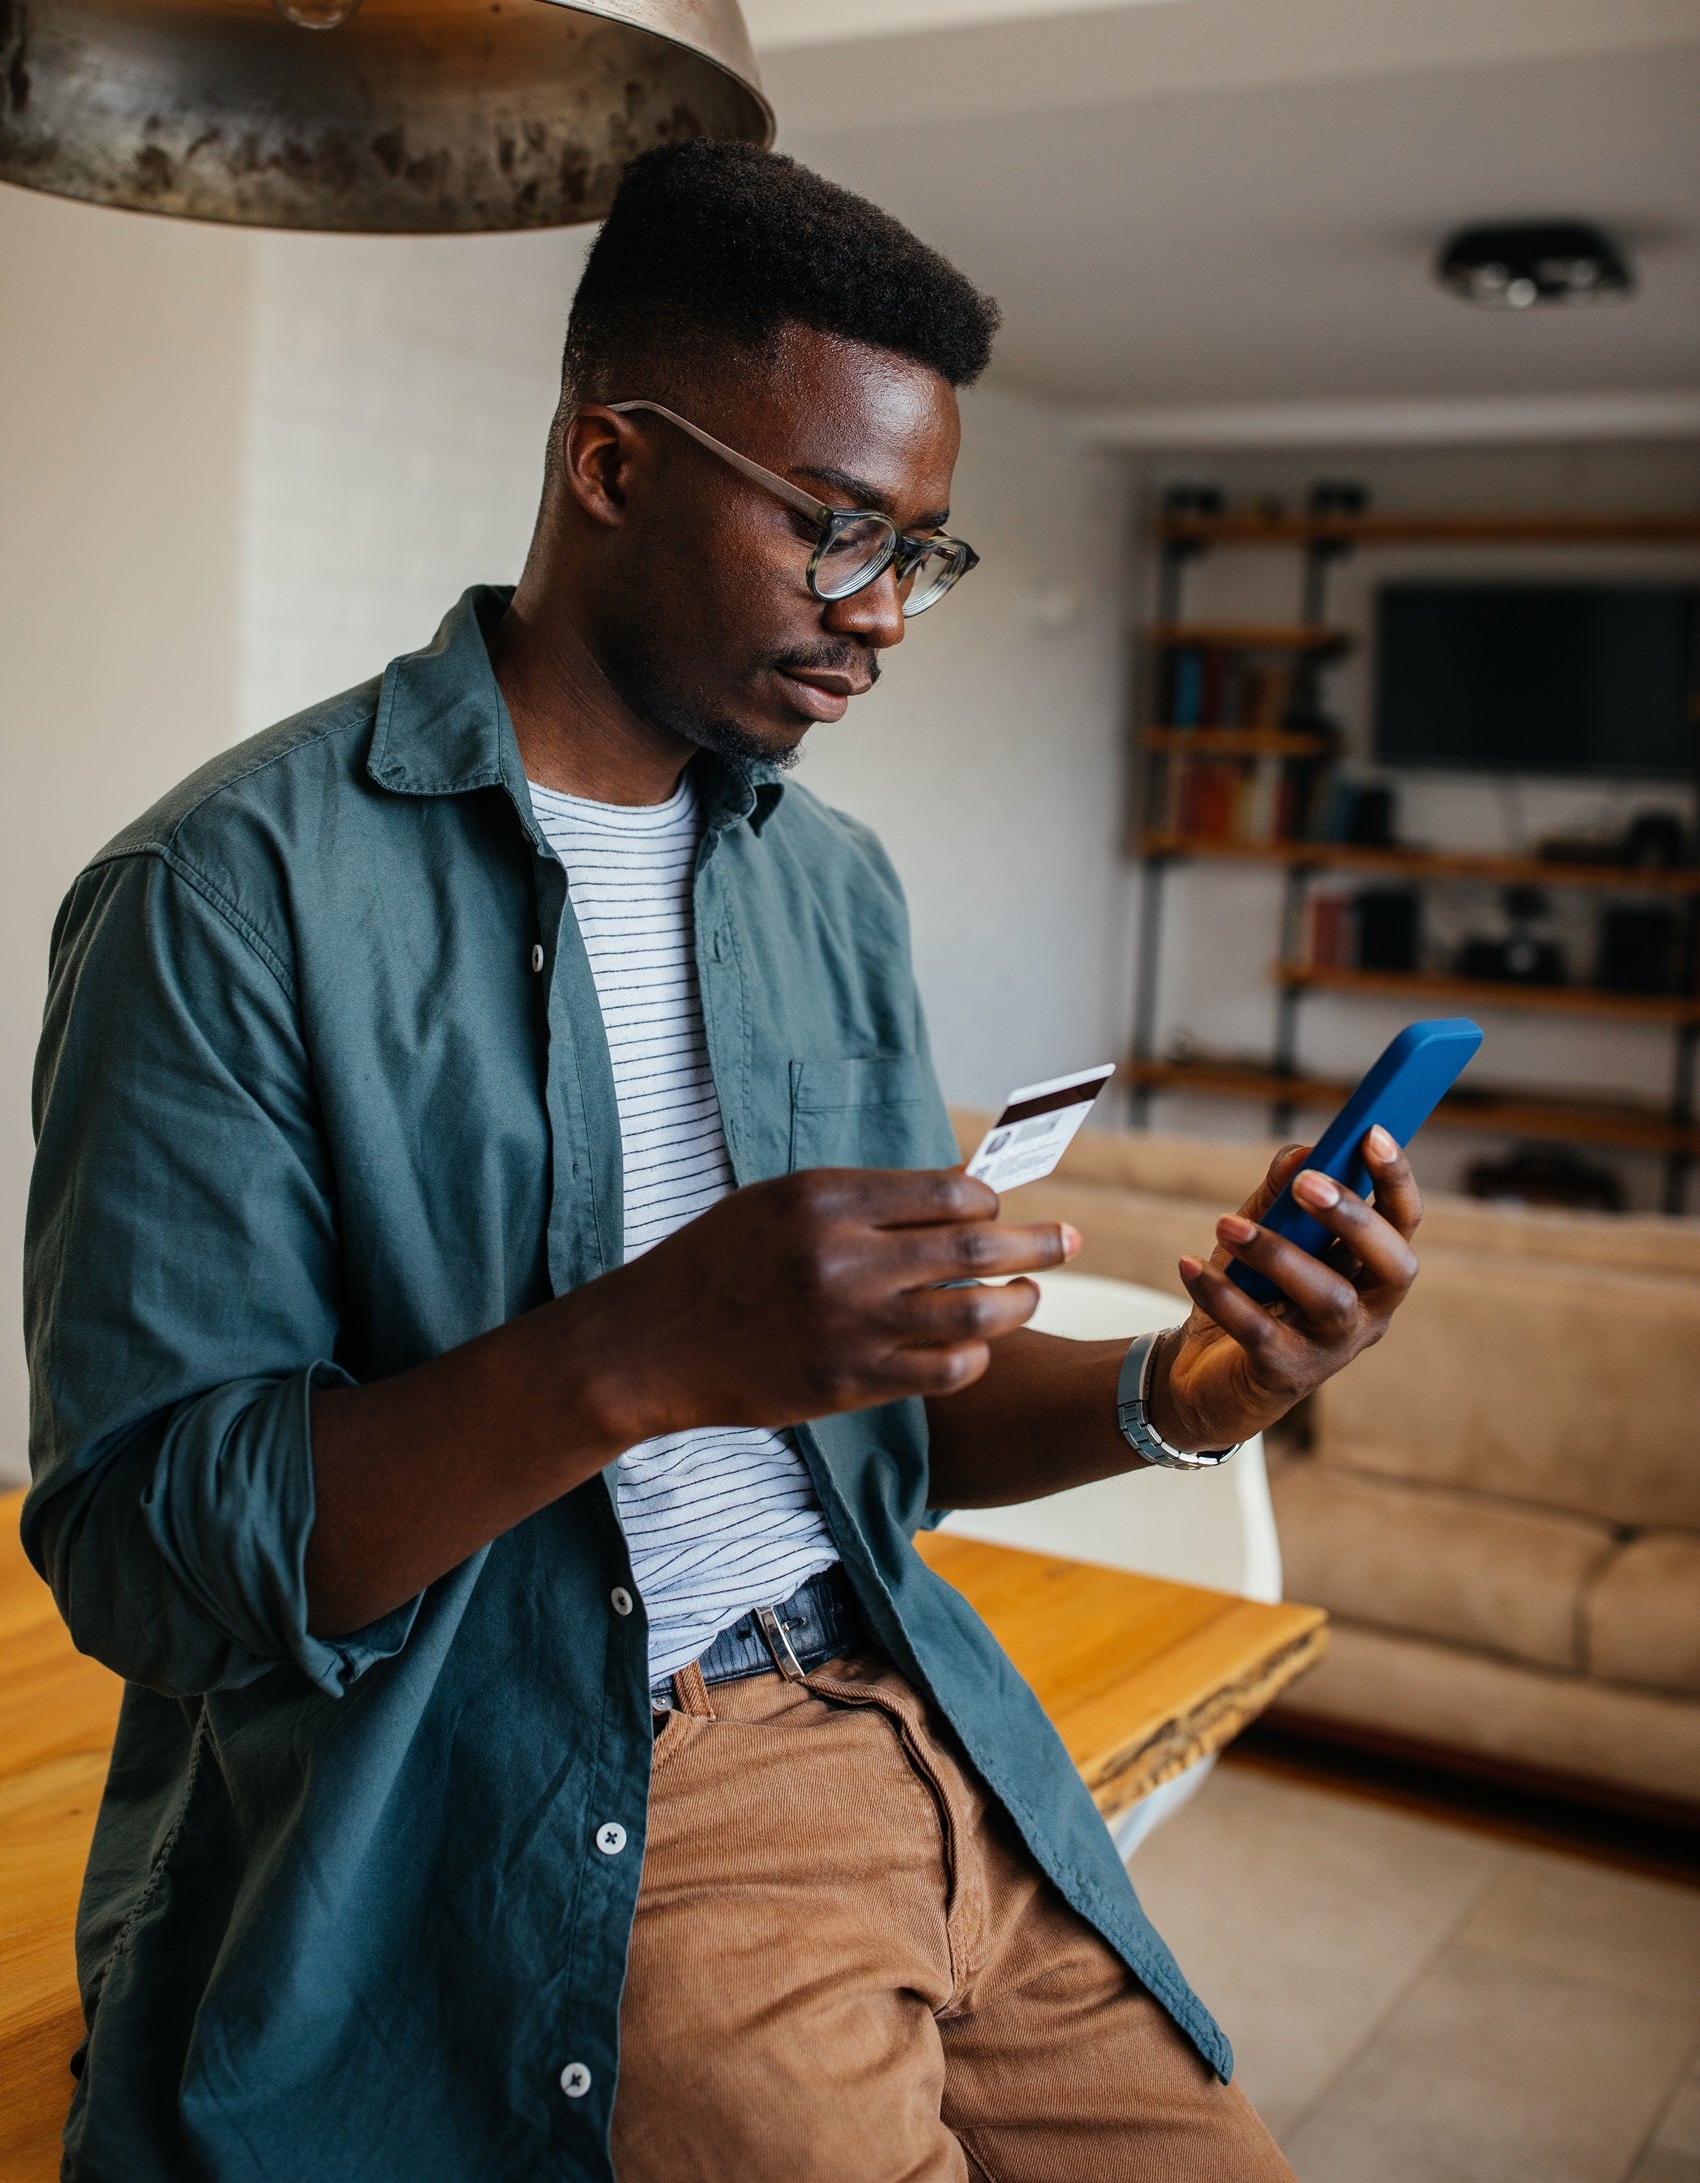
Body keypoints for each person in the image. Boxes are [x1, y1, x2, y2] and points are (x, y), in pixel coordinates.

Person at [24, 141, 1422, 2183]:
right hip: (597, 1807)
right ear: (609, 463)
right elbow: (152, 1553)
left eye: (919, 554)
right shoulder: (226, 895)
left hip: (935, 1731)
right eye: (834, 531)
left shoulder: (827, 884)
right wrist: (639, 1353)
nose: (882, 621)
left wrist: (1196, 1391)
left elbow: (879, 1419)